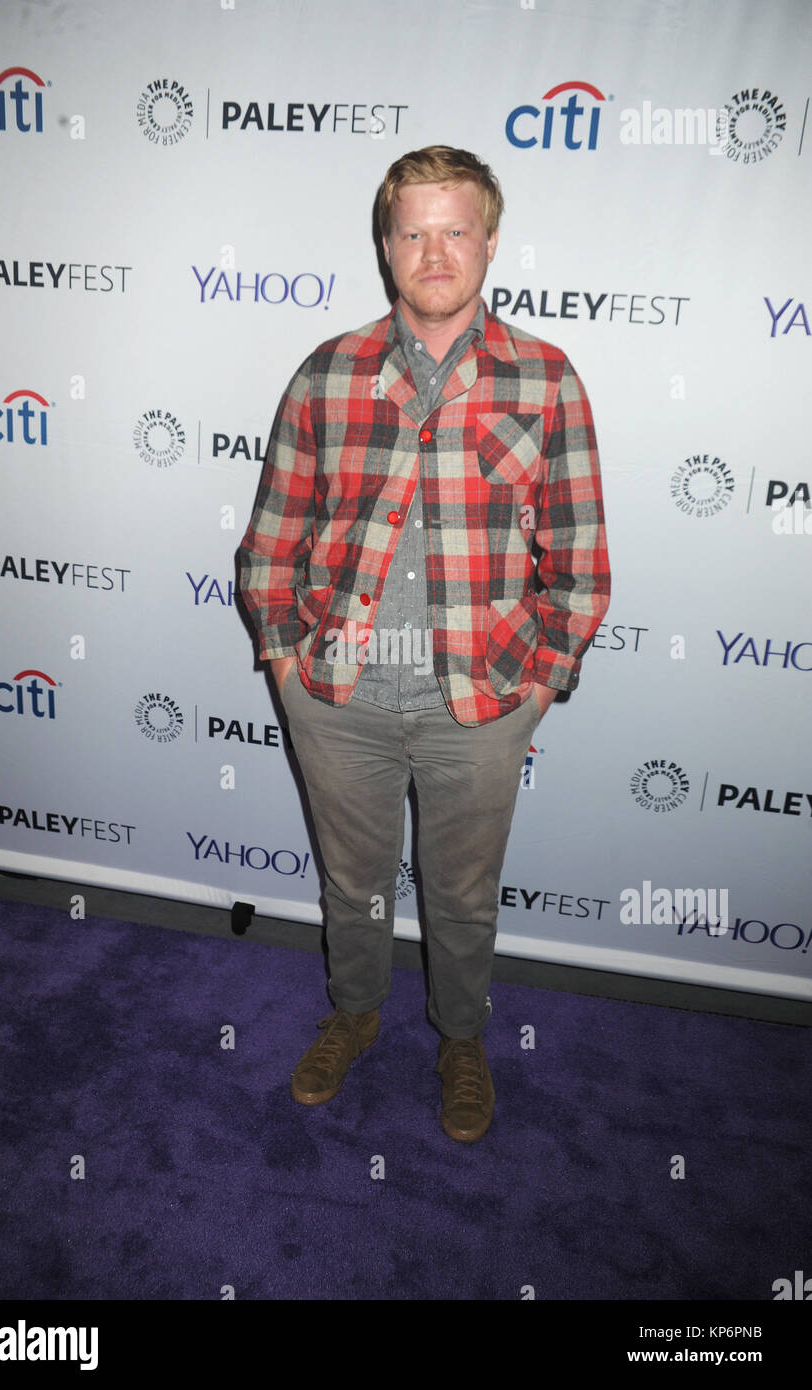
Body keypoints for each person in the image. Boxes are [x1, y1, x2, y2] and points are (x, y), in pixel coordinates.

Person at [237, 145, 610, 1142]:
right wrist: (285, 662)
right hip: (337, 694)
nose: (433, 251)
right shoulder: (329, 372)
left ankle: (459, 1039)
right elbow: (272, 539)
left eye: (454, 229)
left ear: (488, 239)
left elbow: (577, 556)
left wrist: (542, 682)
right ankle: (354, 1015)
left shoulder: (544, 378)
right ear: (385, 243)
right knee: (351, 883)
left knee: (460, 892)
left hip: (481, 704)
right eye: (413, 231)